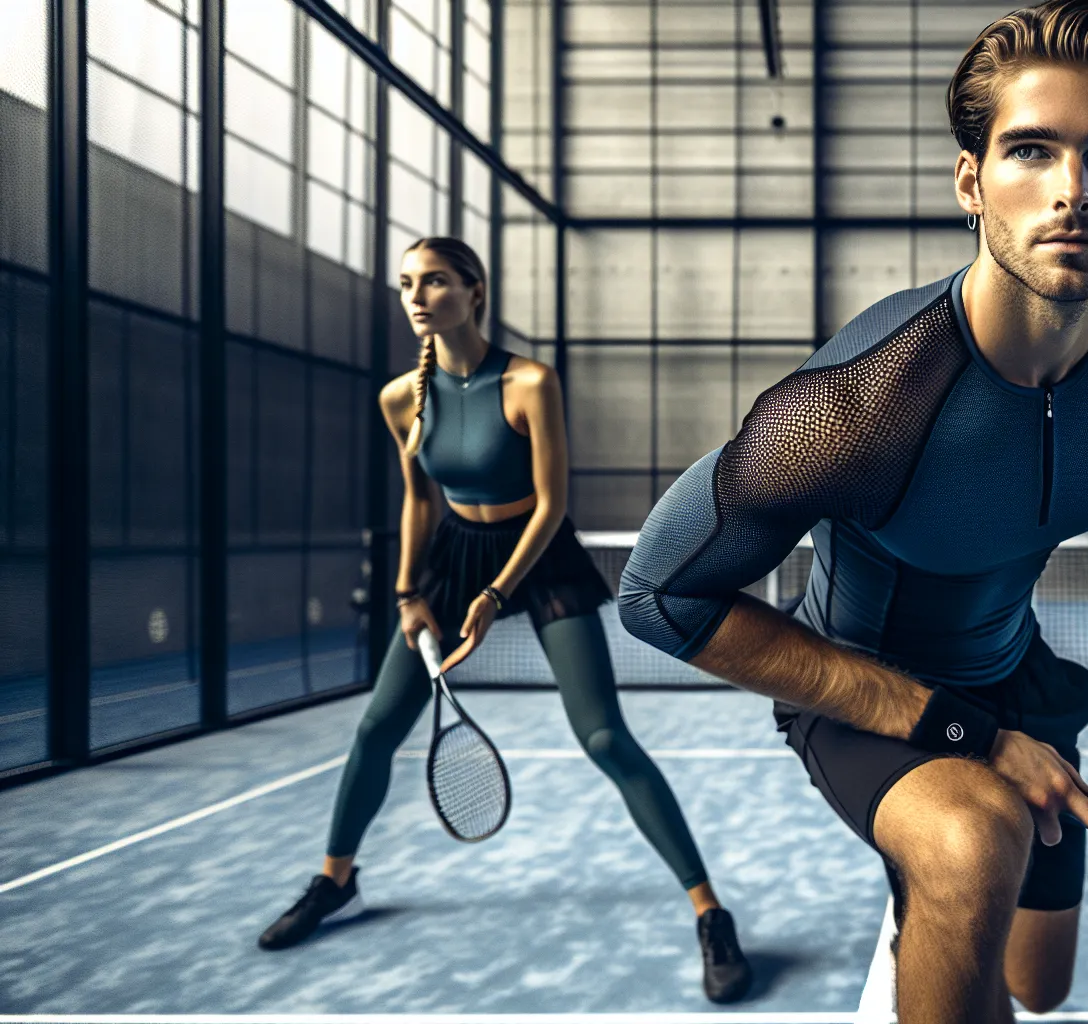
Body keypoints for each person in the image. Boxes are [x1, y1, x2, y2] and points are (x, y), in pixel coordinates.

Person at [617, 3, 1088, 1019]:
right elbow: (657, 595)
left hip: (1017, 680)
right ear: (970, 181)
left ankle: (931, 910)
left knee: (1036, 985)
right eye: (1029, 151)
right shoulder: (852, 410)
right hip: (865, 690)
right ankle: (933, 866)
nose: (1072, 190)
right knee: (971, 840)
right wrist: (951, 730)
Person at [257, 237, 752, 1004]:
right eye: (407, 285)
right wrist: (406, 592)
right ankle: (335, 881)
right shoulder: (400, 398)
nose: (418, 297)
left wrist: (494, 597)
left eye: (437, 282)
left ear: (475, 291)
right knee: (378, 727)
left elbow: (552, 504)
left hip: (539, 554)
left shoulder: (528, 382)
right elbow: (419, 499)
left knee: (603, 736)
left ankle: (710, 911)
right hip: (450, 556)